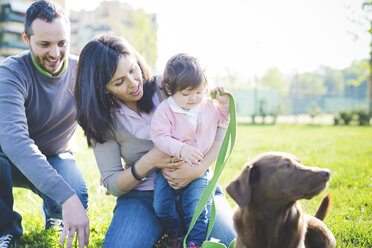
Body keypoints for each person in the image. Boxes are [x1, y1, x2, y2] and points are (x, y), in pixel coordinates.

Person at [74, 33, 236, 248]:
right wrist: (150, 161)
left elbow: (218, 127)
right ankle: (168, 227)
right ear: (103, 87)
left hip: (196, 183)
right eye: (119, 82)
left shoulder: (168, 86)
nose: (133, 84)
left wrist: (198, 170)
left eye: (133, 70)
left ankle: (179, 229)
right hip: (143, 197)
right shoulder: (102, 119)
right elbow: (113, 184)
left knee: (228, 240)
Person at [0, 1, 89, 248]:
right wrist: (66, 197)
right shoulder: (10, 74)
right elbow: (15, 142)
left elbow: (122, 98)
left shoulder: (81, 70)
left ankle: (55, 215)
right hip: (7, 159)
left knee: (77, 193)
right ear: (26, 39)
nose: (55, 53)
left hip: (55, 155)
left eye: (62, 43)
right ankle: (5, 229)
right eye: (44, 44)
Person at [150, 53, 230, 247]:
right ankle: (176, 232)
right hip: (170, 170)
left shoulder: (209, 106)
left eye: (198, 91)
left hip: (199, 170)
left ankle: (195, 242)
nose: (193, 98)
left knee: (197, 207)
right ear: (169, 90)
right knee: (161, 206)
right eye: (185, 94)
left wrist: (225, 105)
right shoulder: (166, 110)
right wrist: (181, 149)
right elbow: (159, 136)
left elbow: (223, 120)